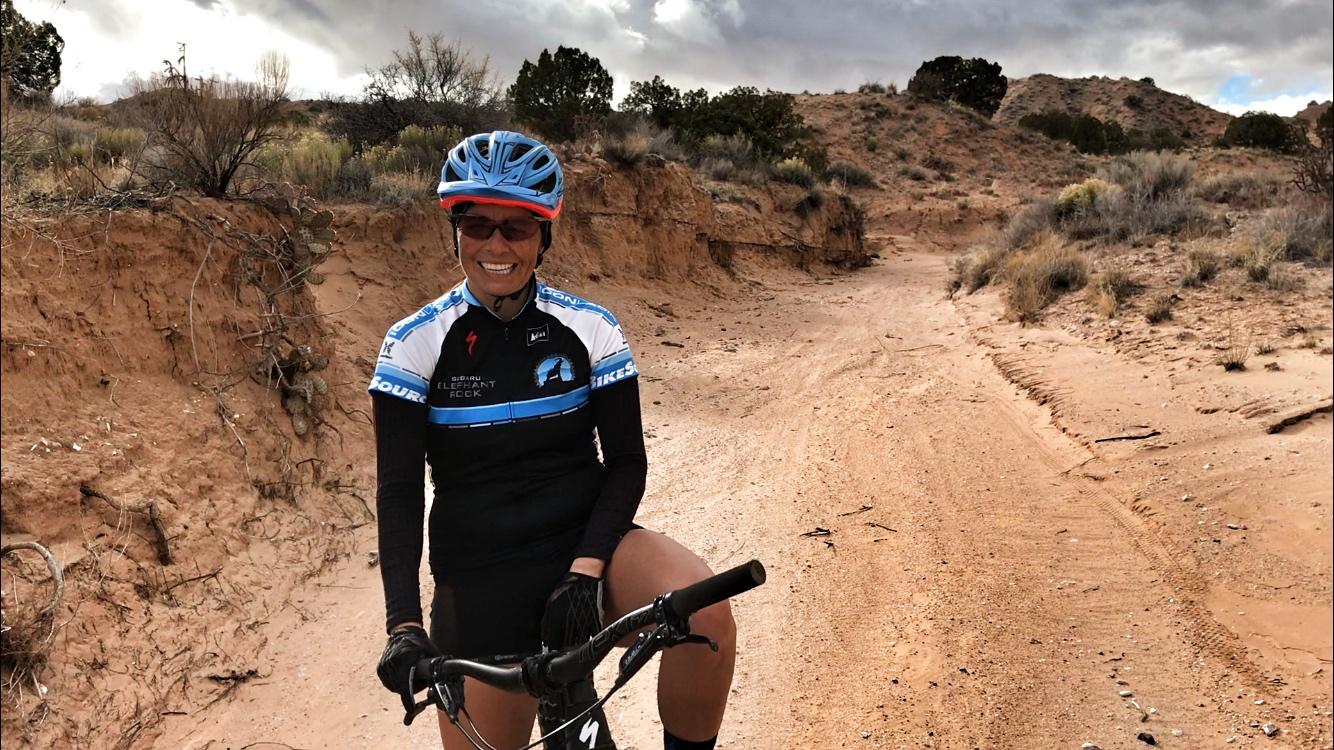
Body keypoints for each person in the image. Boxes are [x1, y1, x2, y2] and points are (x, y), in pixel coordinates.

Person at [369, 130, 736, 750]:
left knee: (707, 616)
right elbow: (400, 493)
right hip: (481, 573)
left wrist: (585, 569)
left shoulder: (590, 328)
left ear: (545, 236)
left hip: (586, 550)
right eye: (476, 223)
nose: (495, 244)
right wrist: (403, 624)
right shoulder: (414, 344)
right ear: (453, 229)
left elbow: (625, 463)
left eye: (517, 228)